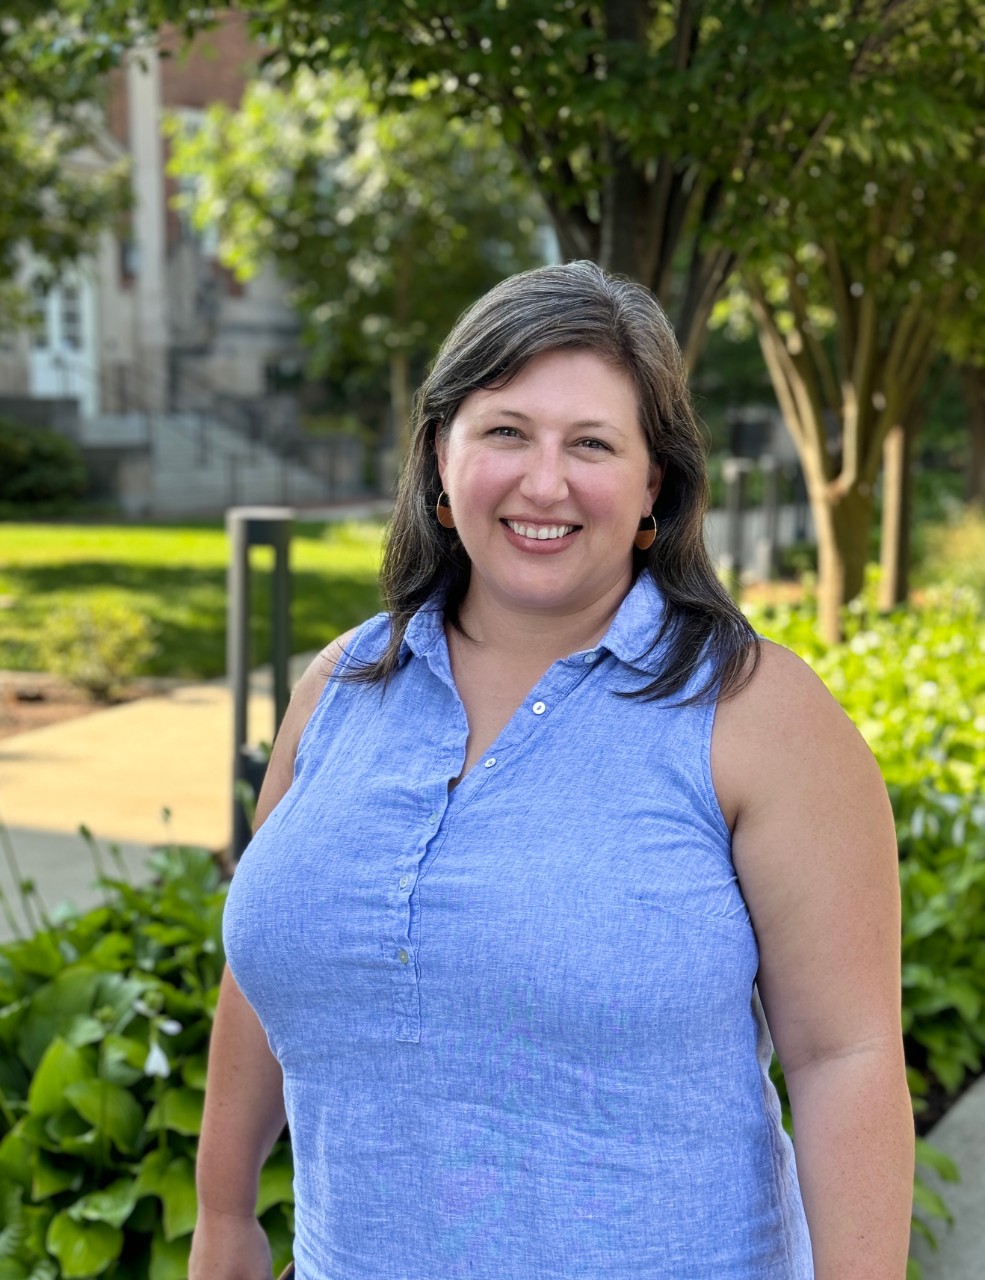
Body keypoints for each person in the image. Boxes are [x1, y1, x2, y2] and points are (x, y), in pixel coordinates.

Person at [190, 261, 914, 1280]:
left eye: (591, 444)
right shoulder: (341, 687)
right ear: (440, 456)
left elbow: (846, 1058)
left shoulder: (758, 715)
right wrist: (224, 1217)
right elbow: (265, 959)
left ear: (653, 482)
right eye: (505, 431)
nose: (544, 482)